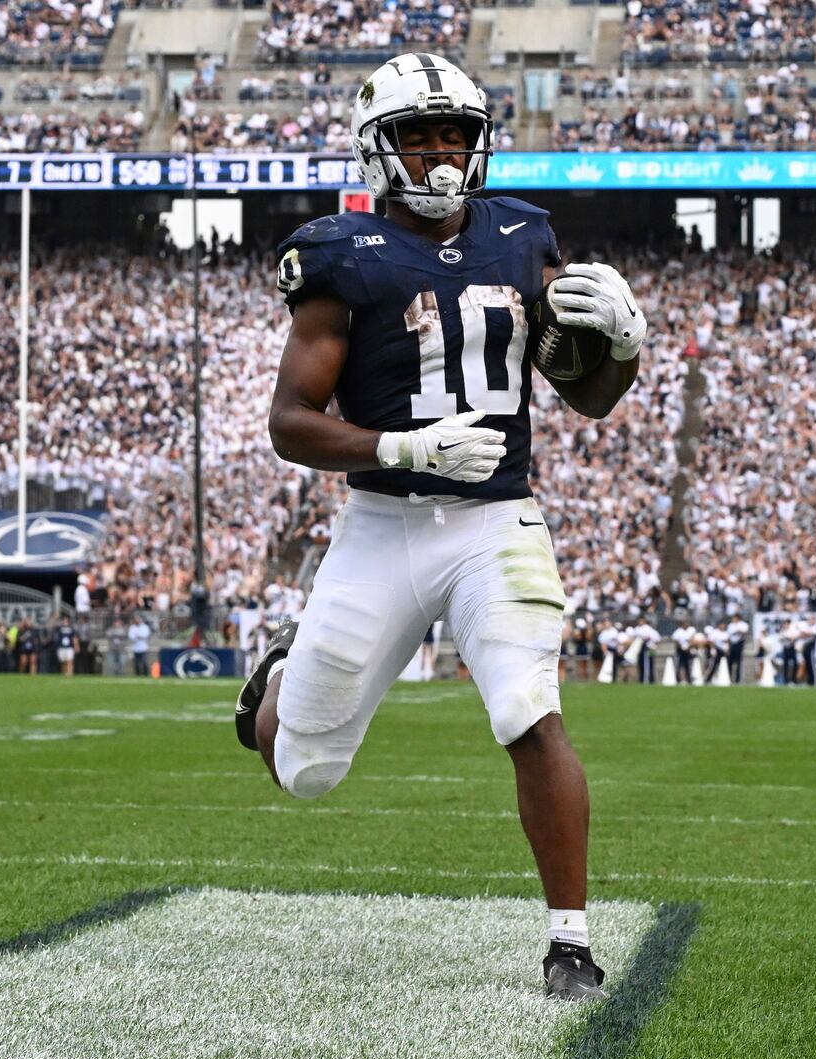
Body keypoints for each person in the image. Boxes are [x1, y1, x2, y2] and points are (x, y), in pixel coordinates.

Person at [230, 53, 644, 1004]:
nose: (440, 152)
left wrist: (622, 348)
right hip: (382, 520)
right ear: (381, 150)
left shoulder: (524, 237)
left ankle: (570, 942)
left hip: (497, 519)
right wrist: (404, 449)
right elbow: (290, 421)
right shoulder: (339, 254)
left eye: (453, 133)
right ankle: (280, 680)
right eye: (418, 135)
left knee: (527, 709)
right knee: (304, 771)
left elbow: (587, 397)